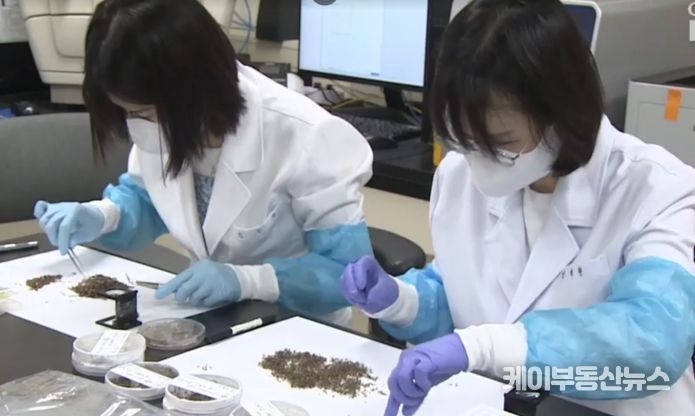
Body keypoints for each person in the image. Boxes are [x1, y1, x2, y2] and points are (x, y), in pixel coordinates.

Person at [341, 0, 695, 415]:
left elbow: (653, 340)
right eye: (463, 139)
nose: (479, 164)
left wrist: (483, 347)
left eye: (502, 143)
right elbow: (463, 294)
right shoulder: (458, 175)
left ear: (564, 114)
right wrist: (401, 300)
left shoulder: (658, 190)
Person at [33, 0, 373, 325]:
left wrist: (247, 281)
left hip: (298, 326)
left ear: (194, 94)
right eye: (126, 112)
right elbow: (151, 199)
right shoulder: (162, 115)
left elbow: (346, 273)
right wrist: (103, 216)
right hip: (209, 317)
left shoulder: (309, 136)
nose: (135, 124)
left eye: (142, 113)